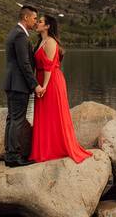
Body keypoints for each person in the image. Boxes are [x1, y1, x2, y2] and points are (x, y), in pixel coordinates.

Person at [29, 14, 92, 164]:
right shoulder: (41, 42)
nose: (37, 23)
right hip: (42, 80)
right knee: (44, 115)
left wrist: (44, 85)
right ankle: (44, 149)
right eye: (37, 21)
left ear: (48, 26)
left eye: (41, 22)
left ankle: (56, 149)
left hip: (51, 82)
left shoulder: (50, 42)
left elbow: (49, 66)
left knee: (53, 114)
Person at [1, 4, 44, 167]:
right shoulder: (20, 35)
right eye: (34, 18)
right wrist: (35, 85)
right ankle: (14, 156)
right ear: (26, 18)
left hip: (12, 83)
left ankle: (9, 154)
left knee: (12, 118)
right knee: (17, 120)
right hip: (18, 85)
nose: (35, 22)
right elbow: (24, 63)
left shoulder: (15, 32)